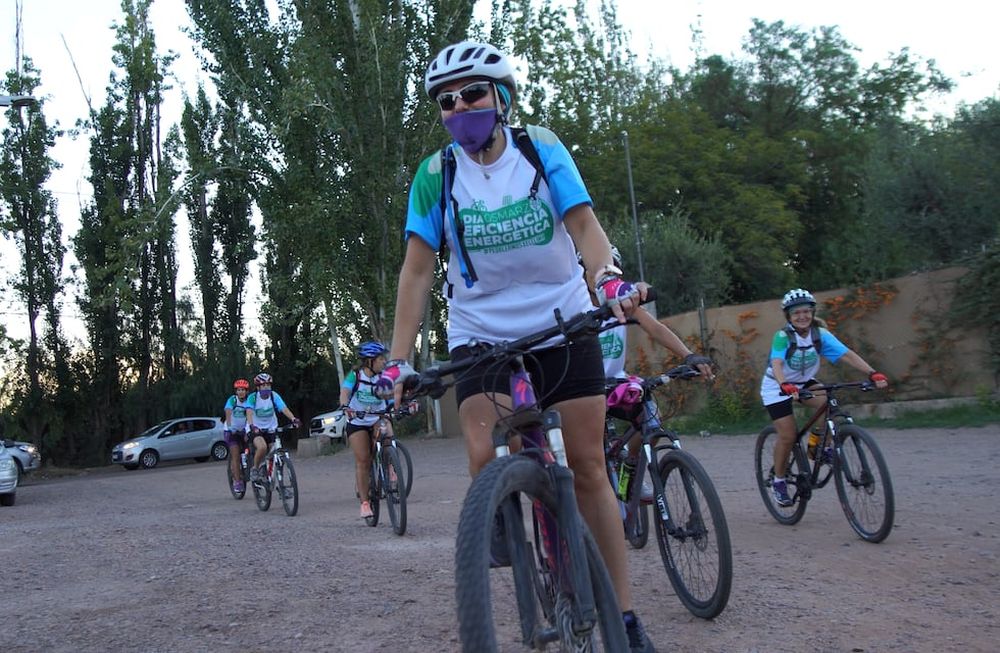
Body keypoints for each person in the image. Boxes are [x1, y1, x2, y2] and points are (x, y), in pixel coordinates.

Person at [377, 40, 656, 652]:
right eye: (446, 102)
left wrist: (604, 277)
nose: (460, 108)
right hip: (480, 331)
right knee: (482, 451)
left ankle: (626, 617)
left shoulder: (541, 148)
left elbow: (583, 225)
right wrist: (398, 360)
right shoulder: (434, 175)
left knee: (586, 468)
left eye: (472, 93)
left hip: (562, 316)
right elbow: (417, 272)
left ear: (501, 97)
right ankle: (501, 509)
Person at [585, 246, 714, 501]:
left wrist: (689, 355)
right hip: (586, 388)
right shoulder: (572, 307)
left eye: (611, 272)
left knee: (651, 418)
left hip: (617, 382)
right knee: (592, 450)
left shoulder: (623, 305)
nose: (605, 278)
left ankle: (630, 473)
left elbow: (655, 329)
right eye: (597, 271)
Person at [761, 289, 889, 506]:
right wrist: (784, 384)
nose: (802, 316)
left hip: (804, 382)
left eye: (806, 312)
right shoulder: (783, 336)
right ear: (789, 316)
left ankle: (815, 447)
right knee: (788, 435)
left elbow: (847, 354)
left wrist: (872, 373)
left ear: (812, 313)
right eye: (796, 313)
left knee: (827, 403)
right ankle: (779, 481)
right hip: (777, 386)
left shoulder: (820, 335)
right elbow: (777, 363)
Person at [341, 341, 390, 518]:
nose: (384, 361)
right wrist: (346, 406)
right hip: (358, 421)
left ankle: (390, 466)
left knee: (387, 433)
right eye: (381, 359)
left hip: (377, 417)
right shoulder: (355, 375)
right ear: (370, 361)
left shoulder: (384, 376)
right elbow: (345, 392)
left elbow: (394, 392)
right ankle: (365, 503)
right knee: (363, 460)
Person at [245, 372, 301, 481]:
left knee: (275, 452)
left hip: (271, 427)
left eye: (268, 385)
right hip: (256, 428)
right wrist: (252, 425)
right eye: (264, 385)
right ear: (258, 387)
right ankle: (255, 468)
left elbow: (283, 408)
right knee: (262, 447)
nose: (266, 387)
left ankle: (273, 477)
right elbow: (249, 412)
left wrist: (293, 419)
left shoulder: (273, 395)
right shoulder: (253, 397)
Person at [223, 378, 252, 493]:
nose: (241, 392)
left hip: (243, 430)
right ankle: (237, 481)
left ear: (246, 391)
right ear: (236, 391)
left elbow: (251, 415)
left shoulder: (249, 401)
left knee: (250, 449)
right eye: (239, 390)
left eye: (243, 390)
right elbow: (228, 412)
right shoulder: (232, 400)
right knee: (235, 455)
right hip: (231, 431)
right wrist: (230, 427)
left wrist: (248, 430)